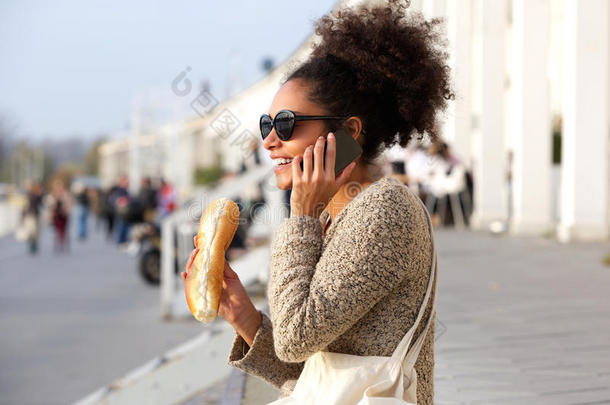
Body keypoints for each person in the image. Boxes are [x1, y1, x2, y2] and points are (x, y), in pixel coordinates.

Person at [182, 2, 451, 403]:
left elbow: (294, 339)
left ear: (349, 133)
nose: (271, 141)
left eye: (287, 124)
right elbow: (317, 376)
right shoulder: (338, 213)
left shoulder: (384, 210)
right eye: (266, 125)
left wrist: (301, 215)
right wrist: (245, 317)